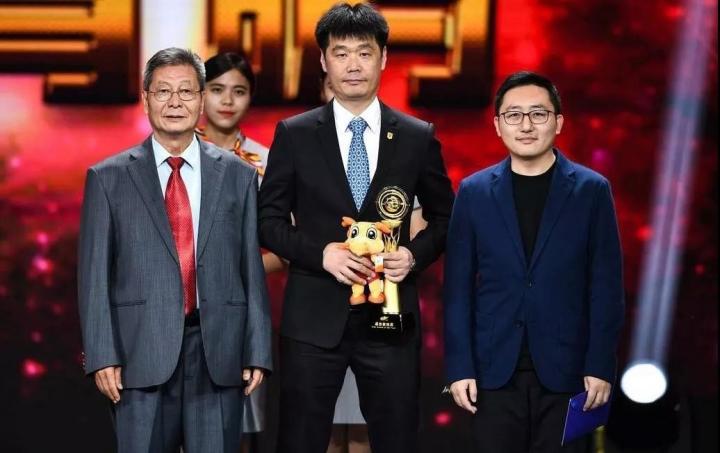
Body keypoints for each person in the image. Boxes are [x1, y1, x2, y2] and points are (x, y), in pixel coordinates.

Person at [259, 4, 454, 453]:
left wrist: (414, 255)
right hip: (313, 321)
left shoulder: (417, 136)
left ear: (383, 58)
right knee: (300, 441)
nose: (353, 65)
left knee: (396, 440)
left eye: (364, 53)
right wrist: (321, 254)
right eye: (340, 53)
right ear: (323, 60)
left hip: (390, 320)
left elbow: (447, 218)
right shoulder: (295, 133)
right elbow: (267, 221)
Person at [77, 47, 272, 453]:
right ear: (145, 98)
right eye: (163, 91)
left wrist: (256, 349)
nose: (175, 102)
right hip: (138, 354)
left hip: (218, 351)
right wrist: (101, 354)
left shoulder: (238, 175)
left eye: (186, 91)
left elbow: (249, 270)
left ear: (200, 99)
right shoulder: (108, 178)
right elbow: (94, 279)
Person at [443, 71, 624, 452]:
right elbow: (458, 289)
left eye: (538, 114)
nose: (526, 126)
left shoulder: (592, 190)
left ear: (558, 122)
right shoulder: (474, 192)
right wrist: (459, 367)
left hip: (571, 373)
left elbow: (606, 288)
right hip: (492, 372)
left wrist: (600, 365)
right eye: (514, 115)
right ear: (498, 125)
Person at [197, 50, 282, 452]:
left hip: (243, 312)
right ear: (200, 93)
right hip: (176, 309)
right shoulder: (172, 154)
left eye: (239, 91)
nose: (227, 100)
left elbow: (288, 245)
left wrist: (238, 271)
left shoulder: (266, 162)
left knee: (239, 429)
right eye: (217, 89)